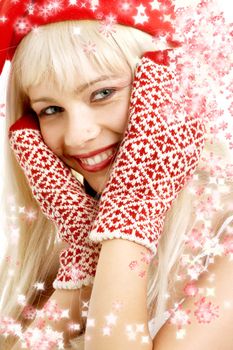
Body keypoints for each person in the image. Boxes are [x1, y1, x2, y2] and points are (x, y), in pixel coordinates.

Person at [0, 1, 233, 349]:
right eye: (51, 110)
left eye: (103, 93)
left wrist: (133, 211)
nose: (77, 135)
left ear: (166, 89)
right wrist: (83, 259)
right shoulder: (50, 253)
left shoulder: (224, 244)